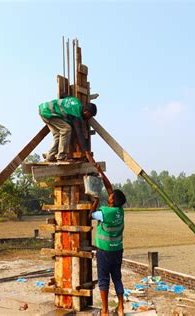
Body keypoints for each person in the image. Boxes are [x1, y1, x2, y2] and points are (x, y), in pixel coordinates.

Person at [89, 162, 127, 316]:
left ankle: (104, 311)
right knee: (117, 277)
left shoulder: (105, 212)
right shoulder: (119, 211)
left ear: (112, 200)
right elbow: (109, 187)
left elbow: (90, 215)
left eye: (111, 196)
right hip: (117, 250)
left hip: (104, 251)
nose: (109, 195)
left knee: (103, 279)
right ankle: (121, 308)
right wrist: (100, 172)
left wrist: (96, 201)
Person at [38, 95, 97, 162]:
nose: (89, 118)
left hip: (43, 109)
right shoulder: (76, 114)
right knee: (66, 129)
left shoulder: (76, 101)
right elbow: (79, 134)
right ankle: (62, 157)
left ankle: (50, 157)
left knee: (58, 135)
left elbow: (64, 95)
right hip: (48, 113)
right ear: (85, 111)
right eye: (90, 115)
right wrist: (87, 152)